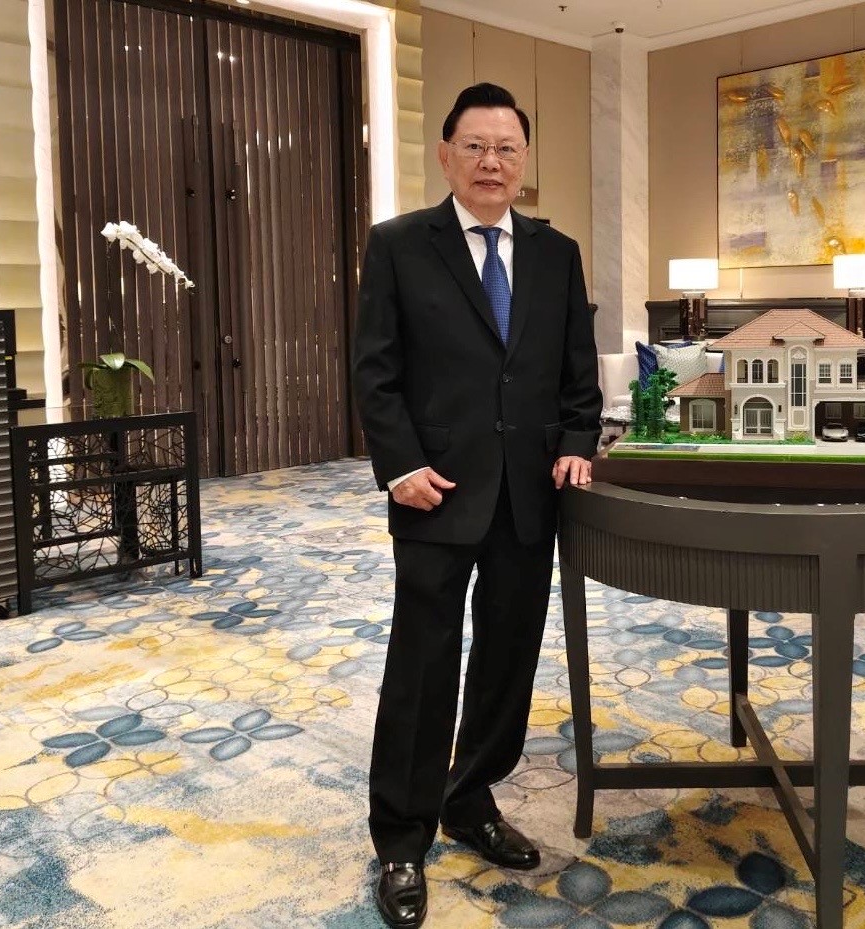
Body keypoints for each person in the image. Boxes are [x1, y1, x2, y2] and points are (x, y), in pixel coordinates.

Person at [351, 82, 602, 929]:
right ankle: (400, 837)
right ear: (446, 154)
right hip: (435, 489)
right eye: (475, 146)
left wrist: (576, 439)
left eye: (506, 149)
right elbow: (375, 370)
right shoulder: (398, 245)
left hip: (529, 492)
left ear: (523, 161)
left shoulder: (555, 252)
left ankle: (469, 797)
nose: (491, 162)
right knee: (421, 665)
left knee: (507, 658)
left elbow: (575, 369)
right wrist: (399, 466)